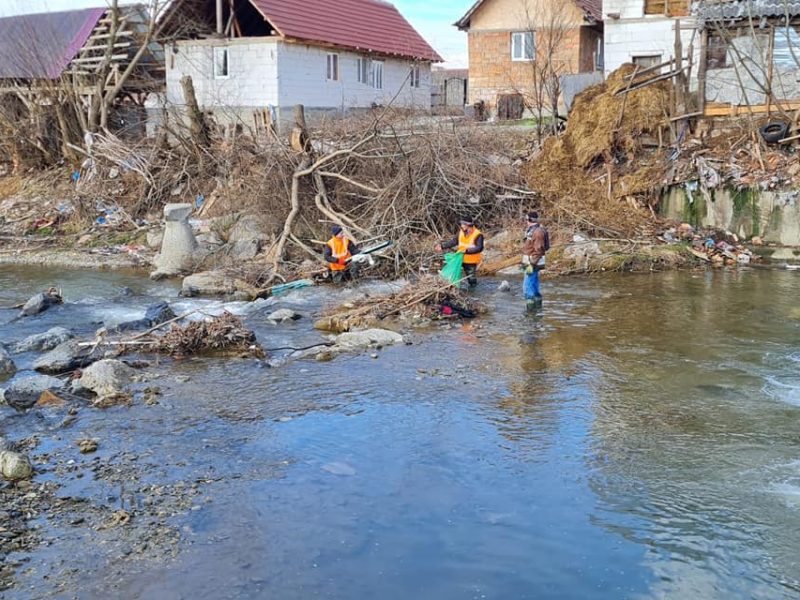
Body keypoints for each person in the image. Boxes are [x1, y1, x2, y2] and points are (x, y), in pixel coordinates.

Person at [435, 217, 484, 288]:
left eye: (463, 224)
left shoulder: (478, 234)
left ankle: (473, 292)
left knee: (471, 279)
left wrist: (467, 251)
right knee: (451, 271)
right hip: (459, 257)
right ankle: (448, 286)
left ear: (468, 225)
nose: (462, 226)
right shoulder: (461, 232)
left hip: (470, 261)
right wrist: (442, 246)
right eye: (462, 224)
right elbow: (454, 242)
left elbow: (479, 248)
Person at [522, 211, 549, 311]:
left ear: (529, 220)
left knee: (527, 288)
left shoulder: (537, 232)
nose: (526, 221)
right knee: (534, 286)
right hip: (532, 262)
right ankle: (537, 309)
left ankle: (530, 313)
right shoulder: (533, 230)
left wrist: (531, 264)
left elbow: (539, 250)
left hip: (533, 263)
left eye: (526, 219)